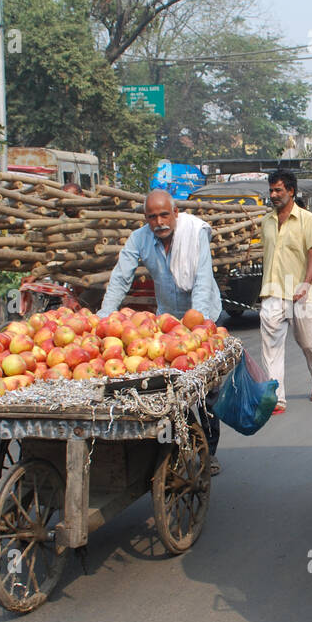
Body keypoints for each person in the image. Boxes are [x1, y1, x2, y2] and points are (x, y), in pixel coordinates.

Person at [100, 189, 224, 472]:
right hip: (166, 322)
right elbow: (121, 278)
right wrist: (104, 318)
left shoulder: (195, 234)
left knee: (206, 392)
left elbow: (204, 279)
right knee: (166, 390)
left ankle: (210, 450)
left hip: (202, 319)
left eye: (164, 214)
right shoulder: (140, 238)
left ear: (175, 213)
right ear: (146, 218)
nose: (159, 221)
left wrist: (199, 329)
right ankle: (173, 447)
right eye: (152, 216)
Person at [259, 168, 312, 414]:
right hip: (272, 292)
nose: (274, 195)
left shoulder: (307, 219)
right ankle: (277, 397)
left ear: (291, 191)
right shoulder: (266, 221)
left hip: (300, 292)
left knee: (307, 342)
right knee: (271, 347)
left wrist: (306, 283)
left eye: (278, 190)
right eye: (271, 190)